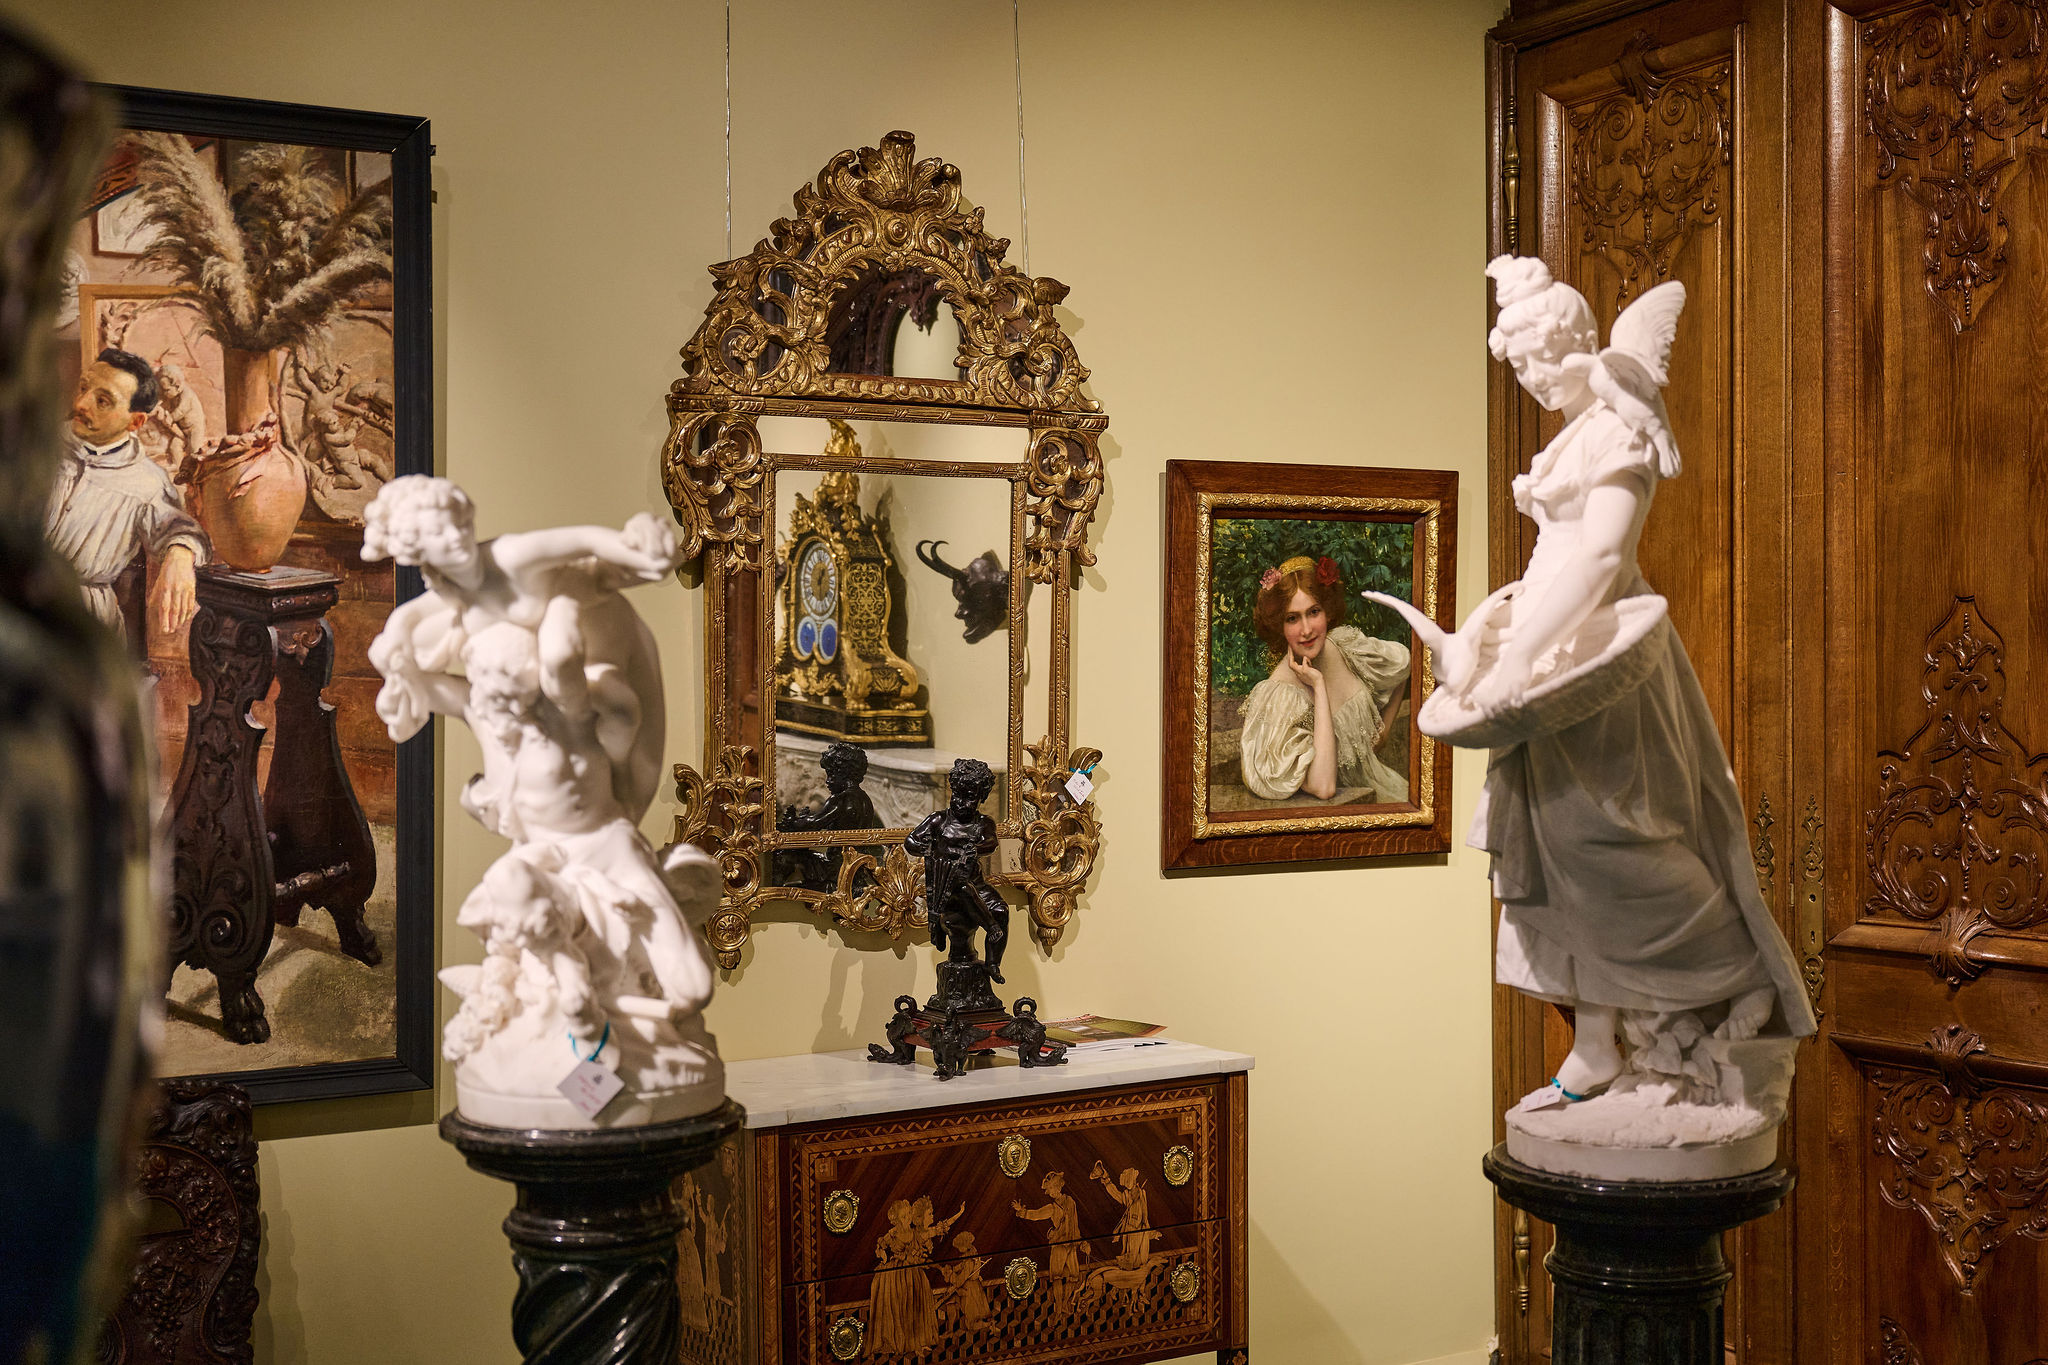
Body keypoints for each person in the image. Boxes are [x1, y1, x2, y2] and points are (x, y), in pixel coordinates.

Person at [1465, 256, 1816, 1101]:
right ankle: (1596, 1042)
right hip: (1550, 664)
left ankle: (1737, 967)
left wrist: (1522, 653)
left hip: (1604, 668)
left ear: (1576, 342)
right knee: (1555, 849)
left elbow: (1602, 558)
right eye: (1519, 368)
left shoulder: (1619, 430)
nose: (1531, 381)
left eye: (1539, 362)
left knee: (1612, 841)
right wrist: (1491, 631)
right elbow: (1553, 562)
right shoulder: (1568, 438)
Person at [46, 347, 208, 637]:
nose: (81, 403)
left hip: (86, 630)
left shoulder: (147, 481)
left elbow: (179, 529)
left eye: (102, 401)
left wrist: (181, 555)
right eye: (83, 388)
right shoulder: (34, 446)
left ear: (135, 422)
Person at [1236, 555, 1410, 803]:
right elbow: (1324, 787)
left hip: (1386, 790)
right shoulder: (1278, 696)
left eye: (1313, 612)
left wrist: (1384, 732)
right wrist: (1318, 685)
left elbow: (1404, 662)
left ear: (1327, 611)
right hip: (1347, 813)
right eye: (1292, 618)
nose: (1307, 630)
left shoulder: (1344, 646)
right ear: (1279, 626)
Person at [907, 758, 1008, 983]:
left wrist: (977, 848)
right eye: (957, 795)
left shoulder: (983, 823)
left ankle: (993, 963)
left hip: (976, 886)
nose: (961, 802)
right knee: (962, 887)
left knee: (1001, 910)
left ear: (981, 798)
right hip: (947, 888)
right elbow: (911, 840)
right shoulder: (938, 820)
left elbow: (991, 842)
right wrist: (922, 846)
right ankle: (989, 926)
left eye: (969, 797)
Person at [1013, 1170, 1089, 1311]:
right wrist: (1022, 1211)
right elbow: (1036, 1215)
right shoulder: (1052, 1208)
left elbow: (1075, 1224)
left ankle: (1065, 1303)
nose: (1049, 1193)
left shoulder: (1071, 1202)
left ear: (1058, 1186)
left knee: (1074, 1276)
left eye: (1051, 1188)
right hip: (1058, 1246)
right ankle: (1059, 1307)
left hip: (1071, 1245)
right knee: (1057, 1277)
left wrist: (1081, 1242)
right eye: (1048, 1190)